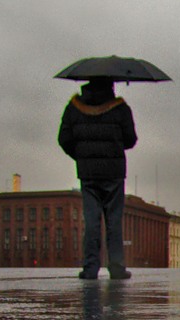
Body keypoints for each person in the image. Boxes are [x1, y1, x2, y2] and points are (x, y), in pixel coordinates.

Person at [58, 77, 137, 279]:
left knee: (91, 221)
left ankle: (90, 268)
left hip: (88, 173)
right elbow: (130, 139)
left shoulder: (74, 108)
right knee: (114, 221)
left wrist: (81, 155)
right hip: (114, 172)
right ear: (110, 86)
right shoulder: (120, 109)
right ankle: (117, 267)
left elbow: (64, 139)